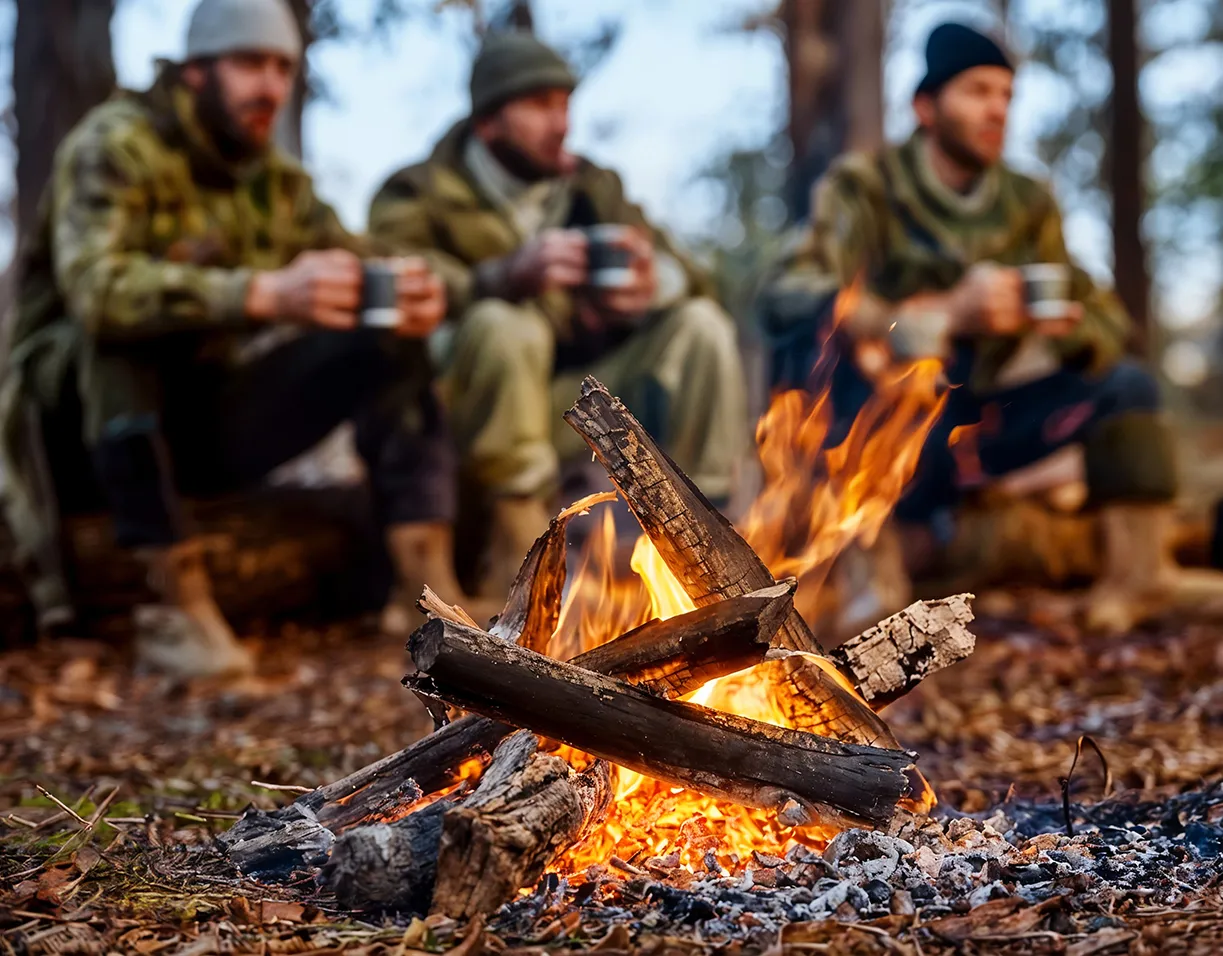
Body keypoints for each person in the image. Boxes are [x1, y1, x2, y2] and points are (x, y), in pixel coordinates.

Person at [0, 0, 478, 679]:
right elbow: (97, 291)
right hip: (80, 438)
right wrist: (263, 293)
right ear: (195, 71)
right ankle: (171, 607)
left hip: (200, 426)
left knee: (386, 333)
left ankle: (424, 589)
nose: (271, 87)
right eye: (250, 63)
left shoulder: (276, 184)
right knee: (119, 335)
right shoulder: (115, 144)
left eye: (283, 67)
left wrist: (427, 288)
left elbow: (374, 255)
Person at [761, 21, 1223, 633]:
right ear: (926, 106)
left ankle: (1138, 573)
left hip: (989, 424)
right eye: (978, 91)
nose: (997, 109)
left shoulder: (1026, 202)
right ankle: (873, 579)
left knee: (1127, 385)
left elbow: (1104, 316)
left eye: (1007, 95)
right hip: (899, 425)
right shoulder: (865, 189)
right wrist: (943, 314)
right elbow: (792, 295)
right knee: (838, 356)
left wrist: (1066, 327)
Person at [367, 31, 748, 595]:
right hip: (465, 414)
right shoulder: (418, 192)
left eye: (566, 104)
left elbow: (691, 275)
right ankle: (517, 545)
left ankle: (704, 532)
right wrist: (501, 276)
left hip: (571, 402)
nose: (562, 123)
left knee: (701, 326)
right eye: (540, 105)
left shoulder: (591, 186)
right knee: (505, 324)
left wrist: (652, 282)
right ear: (489, 121)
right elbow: (390, 280)